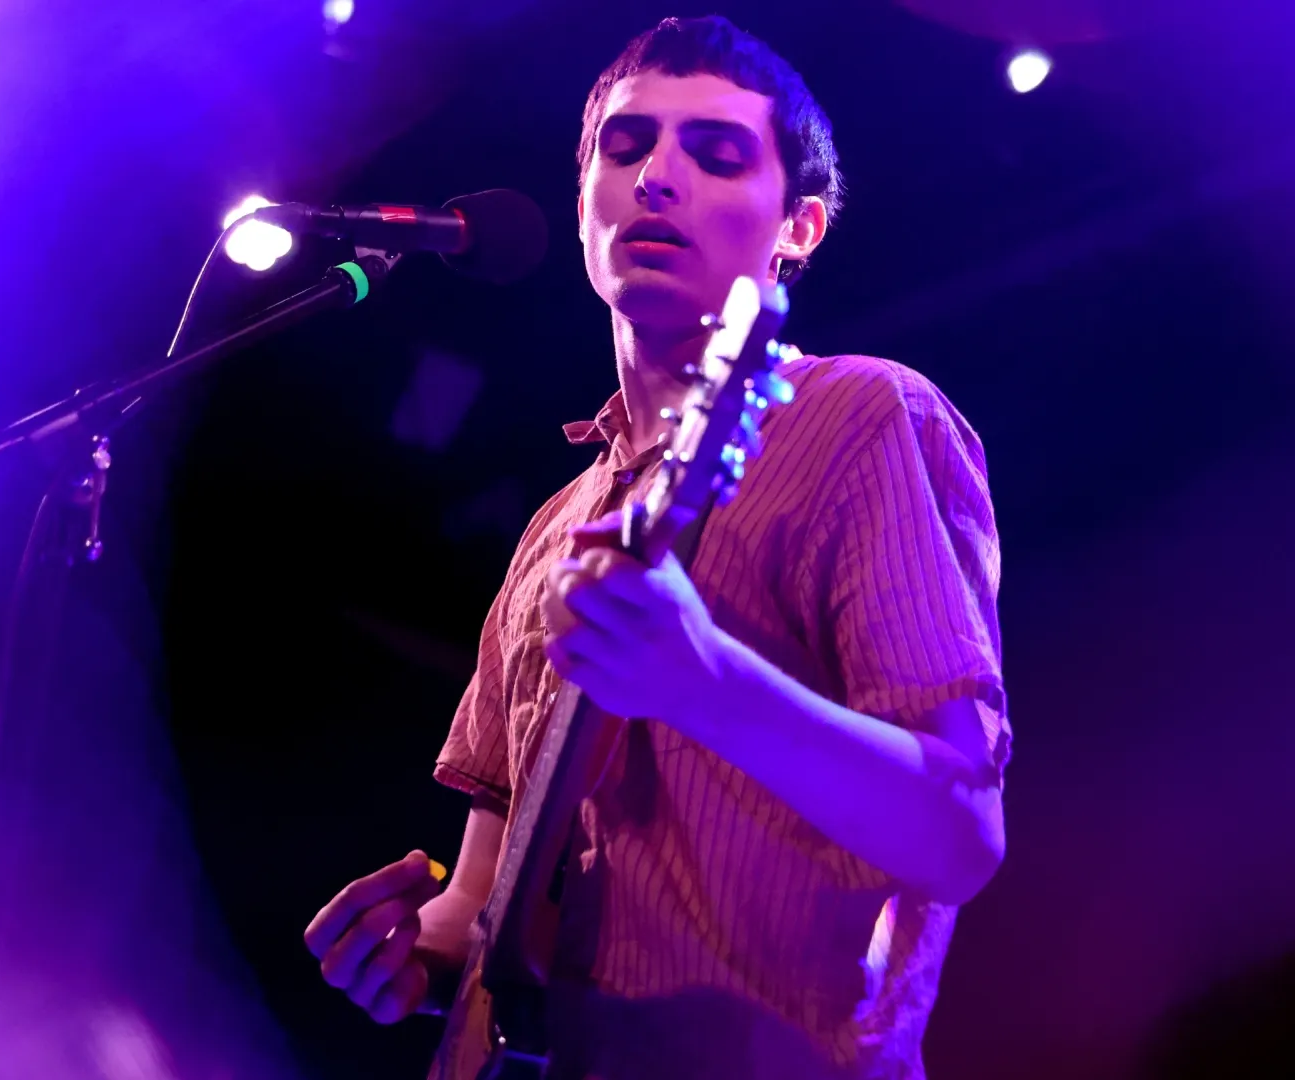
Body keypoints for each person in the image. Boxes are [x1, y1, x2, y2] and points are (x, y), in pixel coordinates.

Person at [303, 16, 1009, 1078]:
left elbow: (959, 832)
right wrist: (411, 956)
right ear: (584, 201)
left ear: (799, 228)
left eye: (716, 153)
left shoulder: (866, 415)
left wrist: (706, 680)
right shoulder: (555, 528)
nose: (657, 177)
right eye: (625, 149)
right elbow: (484, 907)